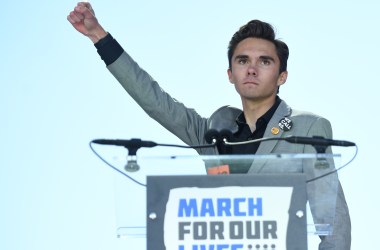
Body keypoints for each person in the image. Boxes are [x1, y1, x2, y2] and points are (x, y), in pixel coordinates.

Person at [67, 2, 351, 249]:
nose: (251, 69)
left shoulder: (308, 127)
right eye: (243, 61)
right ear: (231, 74)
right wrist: (98, 37)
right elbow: (154, 101)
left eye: (264, 61)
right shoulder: (213, 133)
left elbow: (333, 222)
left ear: (282, 76)